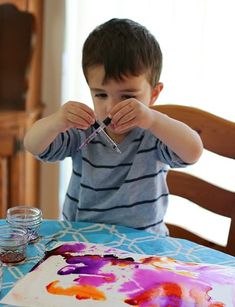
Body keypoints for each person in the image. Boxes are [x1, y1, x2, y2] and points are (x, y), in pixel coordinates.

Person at [24, 18, 203, 235]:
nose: (111, 107)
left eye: (128, 96)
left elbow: (193, 152)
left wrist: (154, 120)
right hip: (83, 241)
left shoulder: (155, 133)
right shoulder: (83, 130)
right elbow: (33, 145)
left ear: (154, 94)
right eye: (100, 94)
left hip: (144, 246)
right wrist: (56, 121)